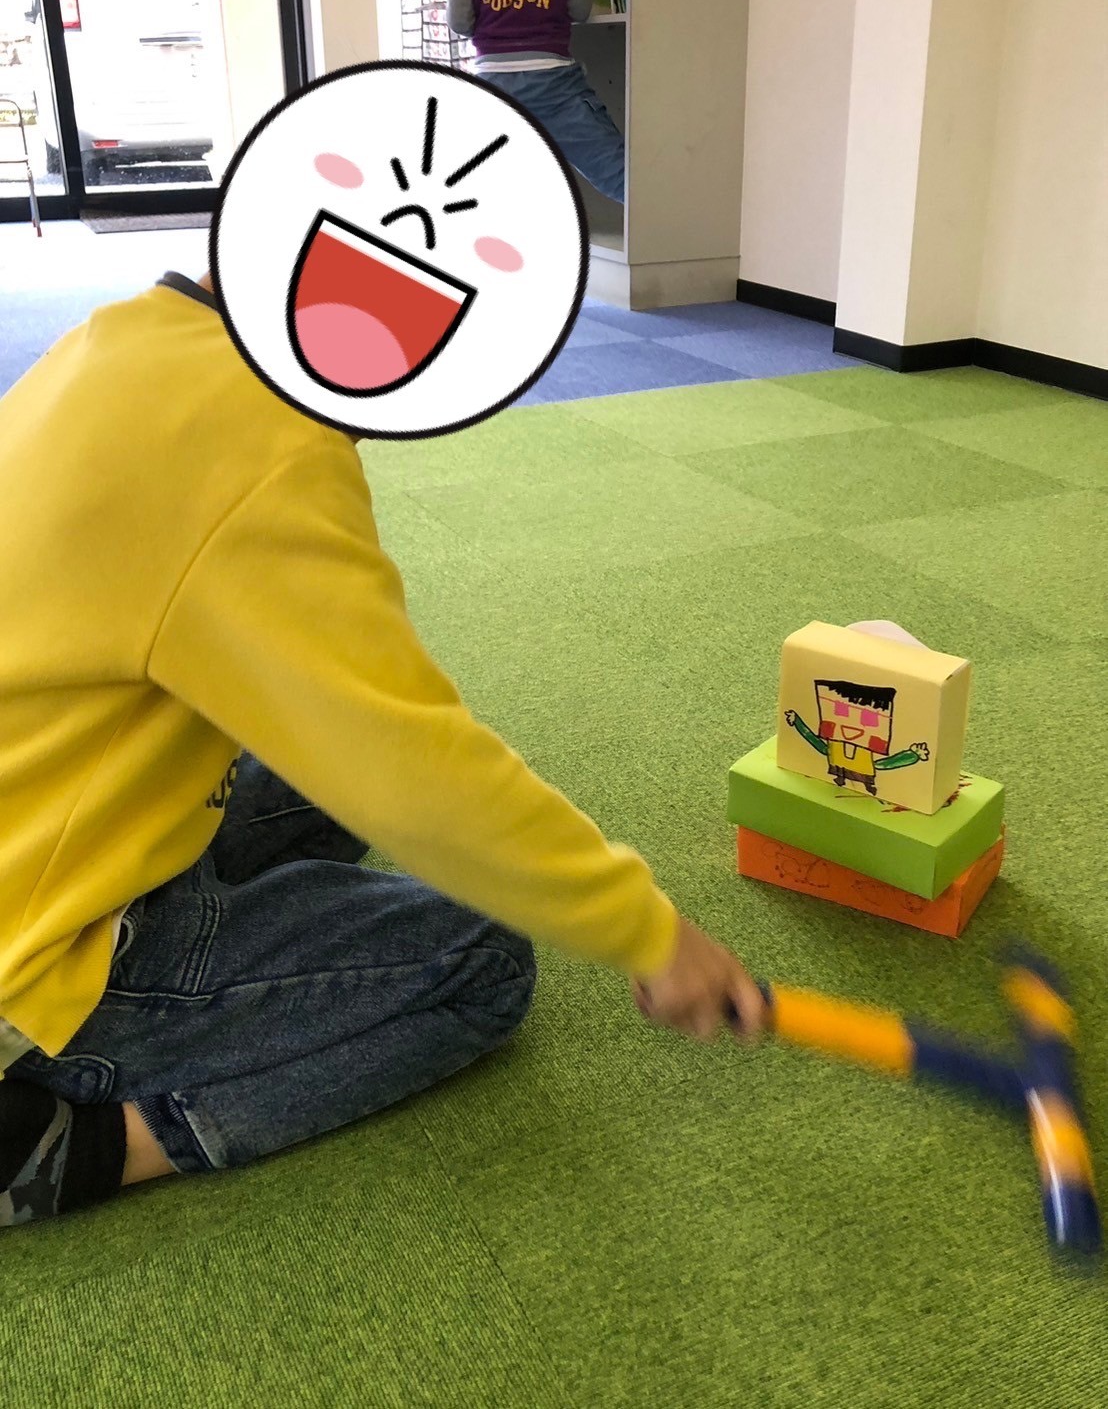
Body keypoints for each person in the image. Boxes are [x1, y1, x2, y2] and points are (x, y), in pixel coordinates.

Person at [0, 270, 764, 1229]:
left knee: (322, 785)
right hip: (40, 949)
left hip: (57, 807)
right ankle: (73, 1149)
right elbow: (417, 770)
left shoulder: (127, 338)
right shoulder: (265, 459)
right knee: (481, 960)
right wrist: (648, 932)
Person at [446, 0, 626, 205]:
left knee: (487, 196)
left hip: (493, 86)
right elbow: (580, 10)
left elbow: (459, 22)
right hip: (555, 86)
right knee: (625, 181)